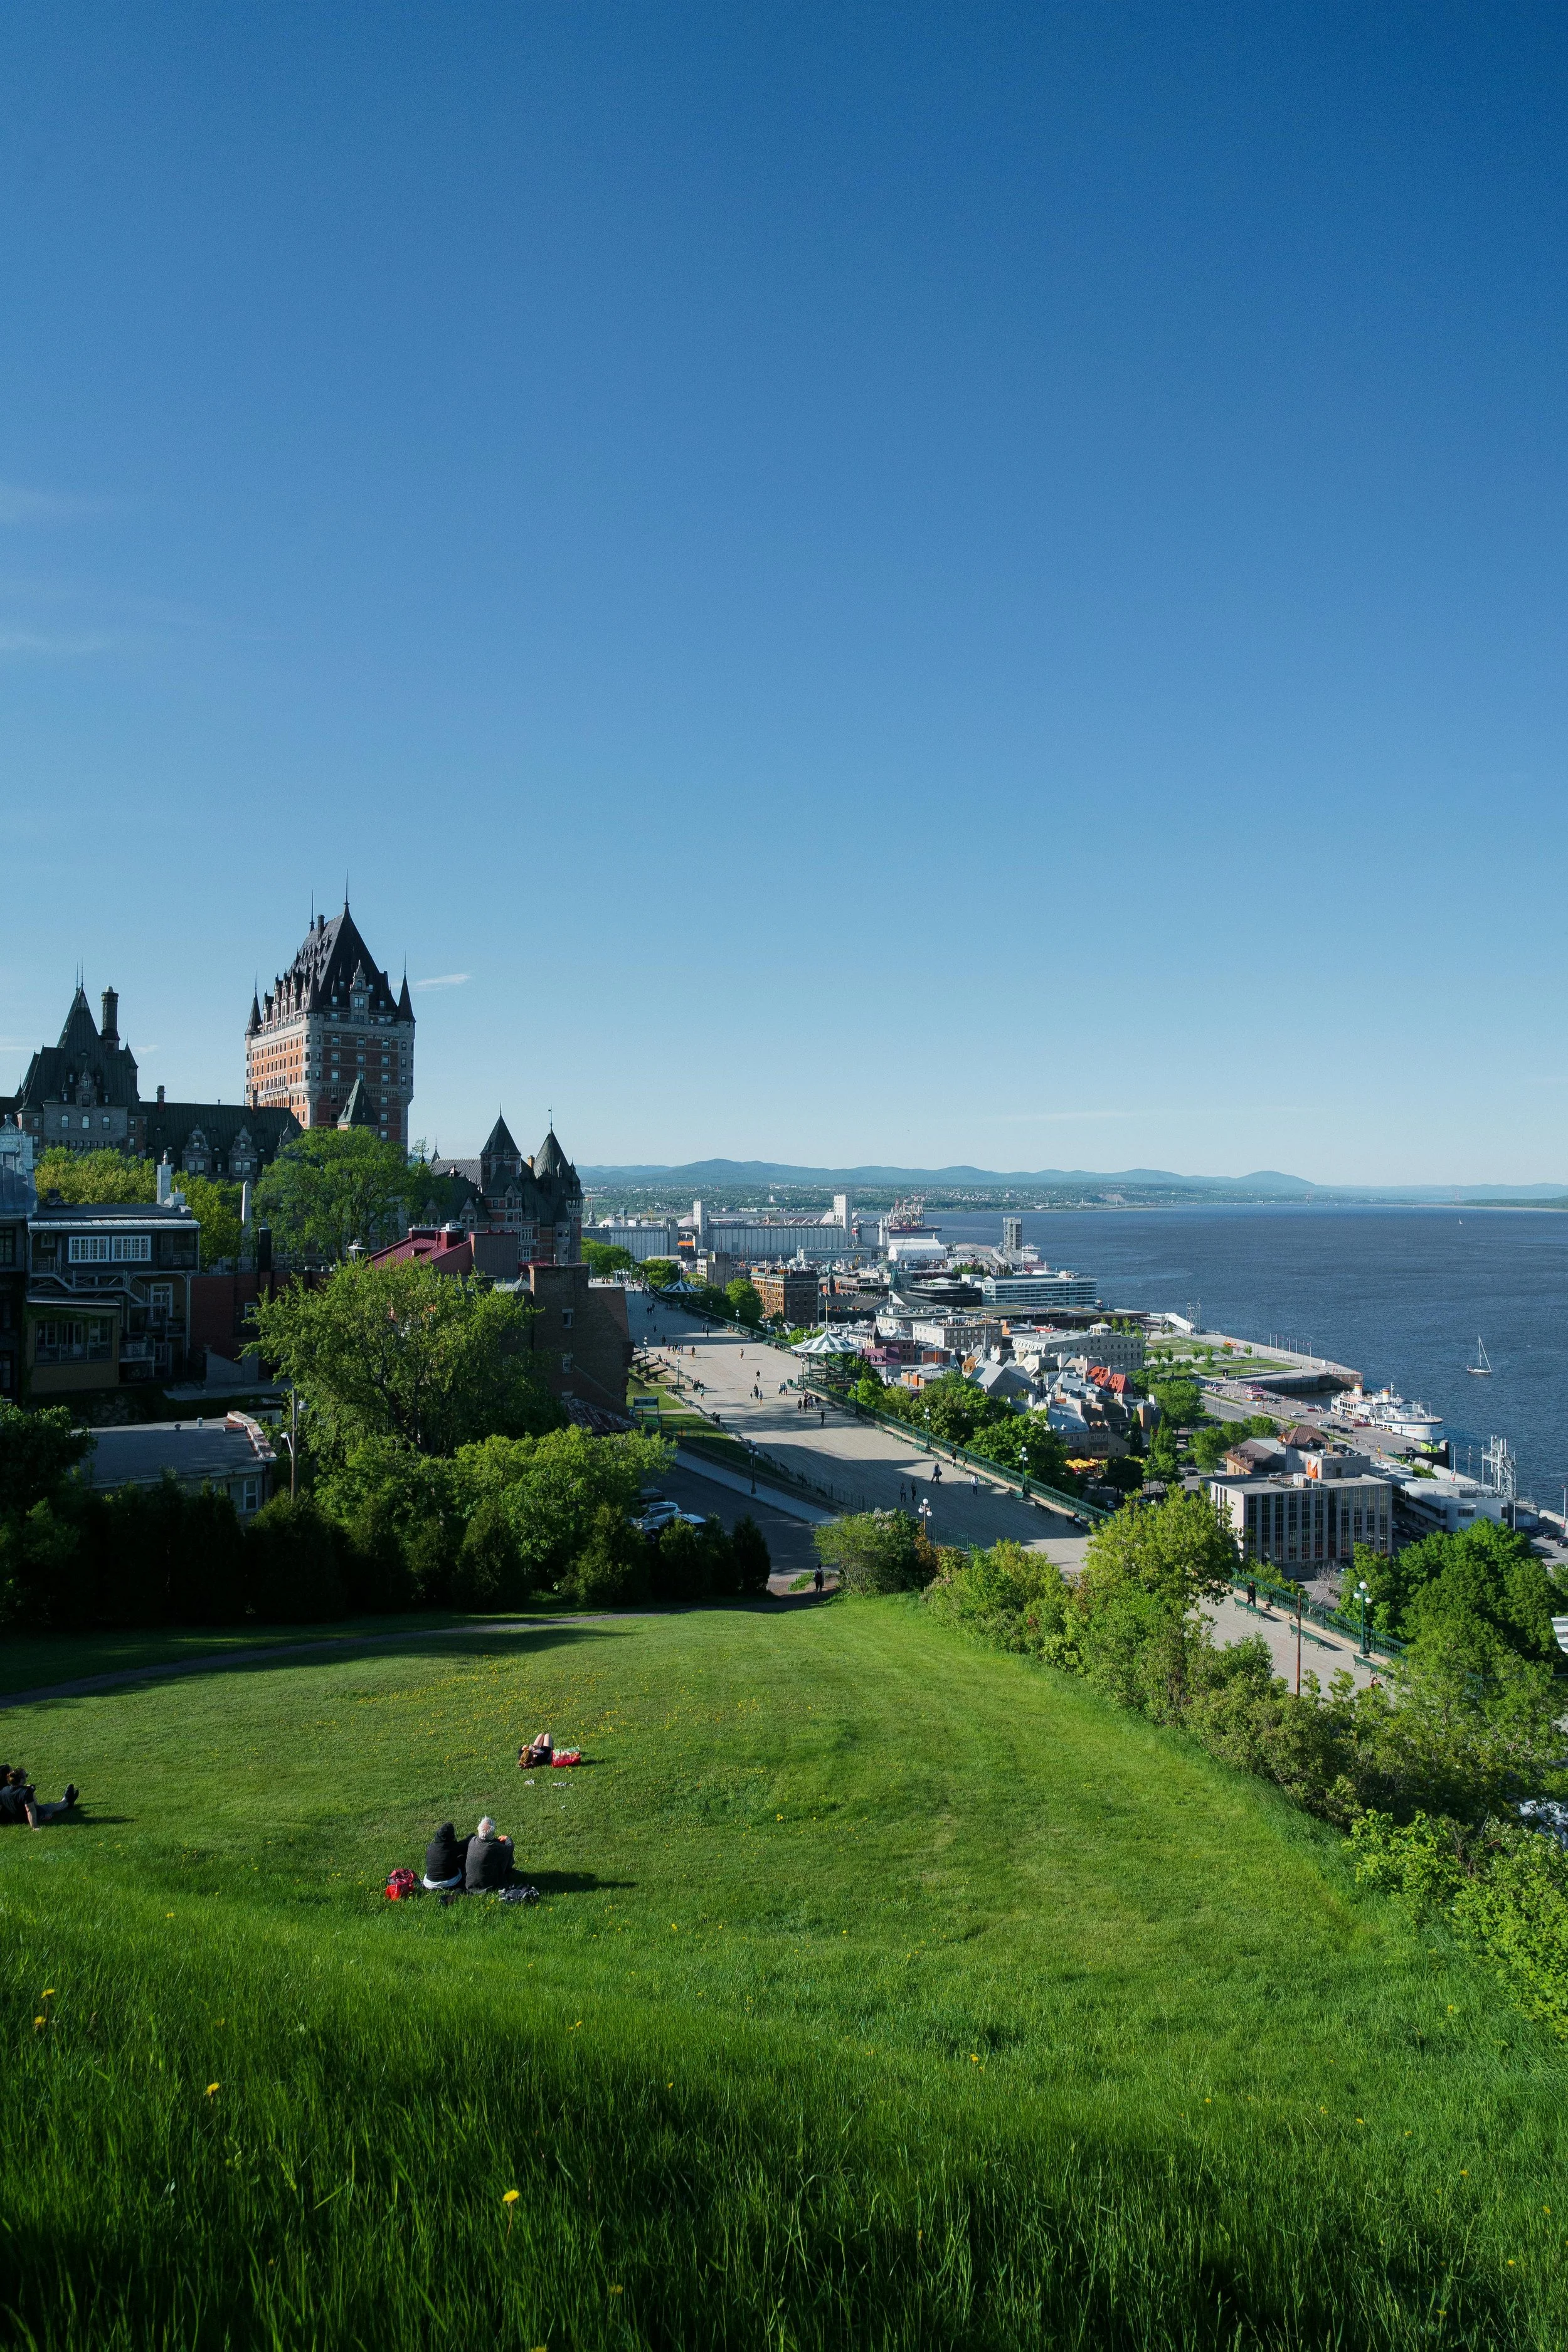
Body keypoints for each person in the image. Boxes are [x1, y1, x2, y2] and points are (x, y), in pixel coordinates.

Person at [1, 1766, 78, 1828]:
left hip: (16, 1819)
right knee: (54, 1806)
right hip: (32, 1817)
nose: (26, 1777)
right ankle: (67, 1801)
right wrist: (35, 1827)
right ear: (21, 1781)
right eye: (26, 1776)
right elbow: (30, 1810)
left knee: (47, 1808)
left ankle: (68, 1799)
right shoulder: (25, 1792)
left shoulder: (4, 1790)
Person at [465, 1816, 518, 1893]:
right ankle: (508, 1872)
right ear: (492, 1833)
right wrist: (507, 1839)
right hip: (487, 1886)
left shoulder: (473, 1841)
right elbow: (509, 1848)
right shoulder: (495, 1847)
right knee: (506, 1855)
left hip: (469, 1884)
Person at [423, 1821, 470, 1891]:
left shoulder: (430, 1847)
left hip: (429, 1883)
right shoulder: (452, 1848)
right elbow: (463, 1845)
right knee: (462, 1858)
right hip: (449, 1883)